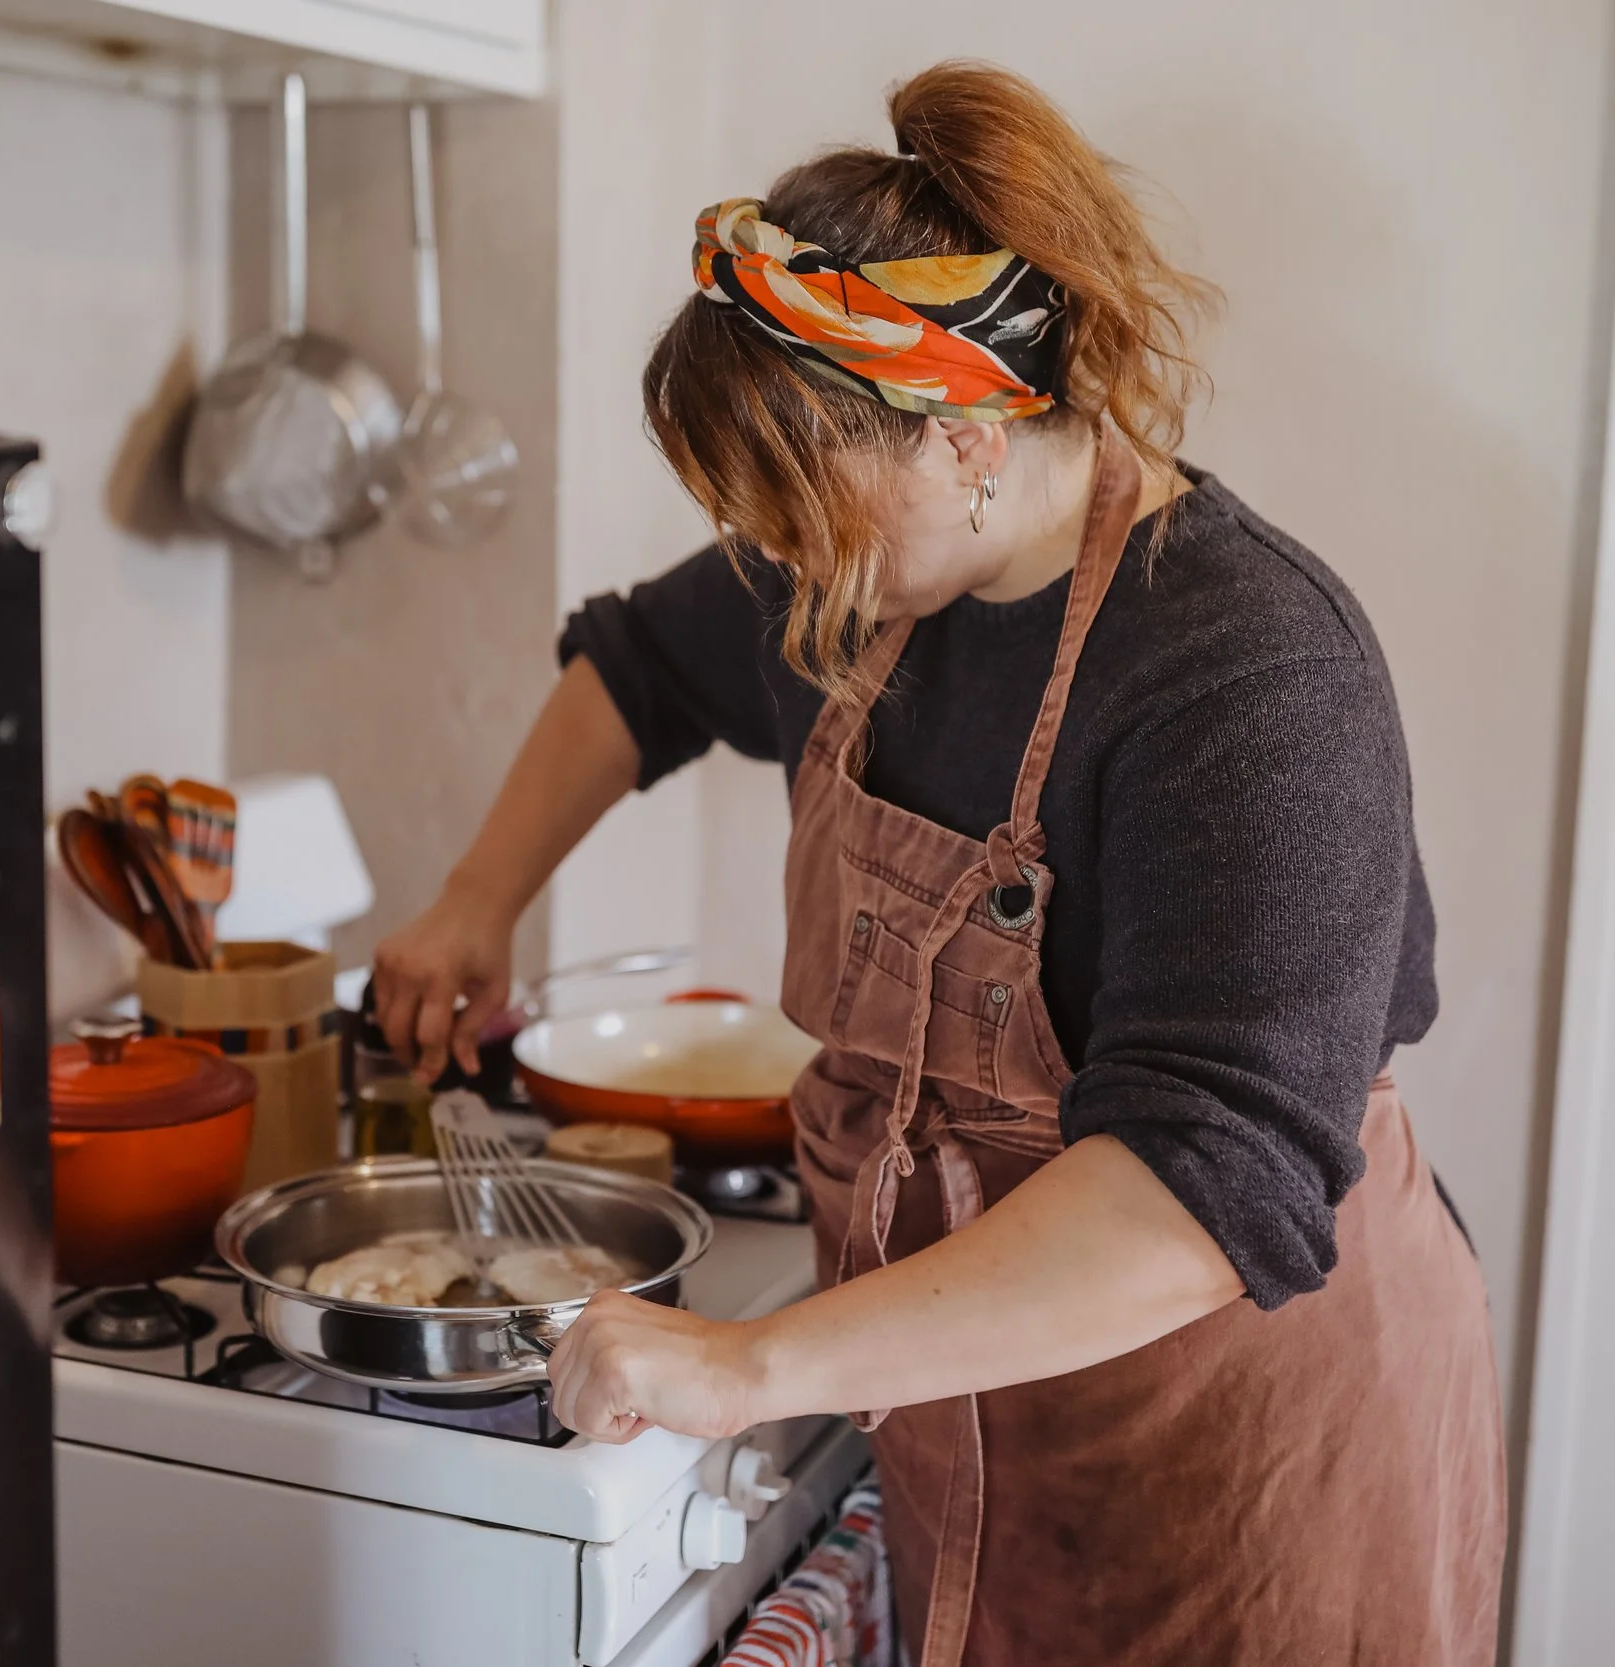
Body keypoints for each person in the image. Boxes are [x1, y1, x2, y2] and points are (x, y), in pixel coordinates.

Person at [372, 62, 1503, 1665]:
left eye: (794, 496)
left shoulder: (1250, 666)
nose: (768, 553)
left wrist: (751, 1366)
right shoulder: (854, 571)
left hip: (1238, 1442)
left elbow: (1204, 1189)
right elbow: (637, 671)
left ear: (967, 429)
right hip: (958, 1405)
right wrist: (474, 895)